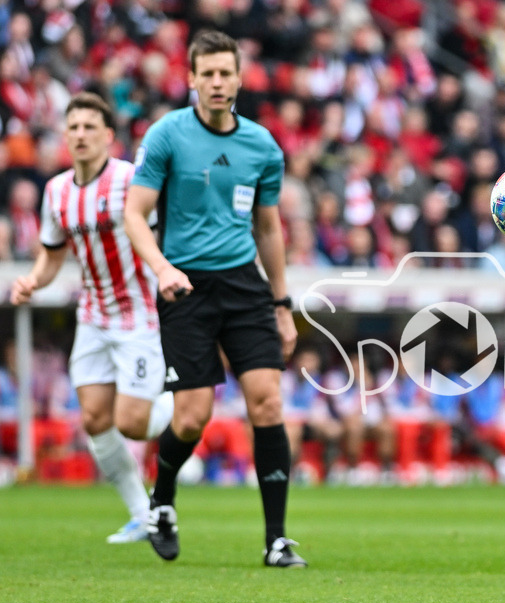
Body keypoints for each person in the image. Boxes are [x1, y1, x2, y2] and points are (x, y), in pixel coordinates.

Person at [123, 30, 304, 567]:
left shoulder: (262, 146)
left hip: (245, 285)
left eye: (227, 72)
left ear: (240, 78)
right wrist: (161, 268)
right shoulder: (167, 136)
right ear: (193, 79)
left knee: (267, 402)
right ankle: (162, 498)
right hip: (185, 287)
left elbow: (268, 229)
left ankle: (276, 539)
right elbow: (135, 213)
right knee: (191, 419)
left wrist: (283, 304)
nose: (219, 82)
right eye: (209, 74)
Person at [9, 93, 173, 543]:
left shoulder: (130, 180)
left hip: (139, 317)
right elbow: (51, 256)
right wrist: (32, 282)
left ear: (108, 136)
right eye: (73, 127)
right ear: (65, 135)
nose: (80, 134)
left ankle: (187, 404)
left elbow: (162, 236)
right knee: (96, 419)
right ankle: (143, 513)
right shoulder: (56, 190)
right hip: (93, 318)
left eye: (89, 127)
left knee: (133, 422)